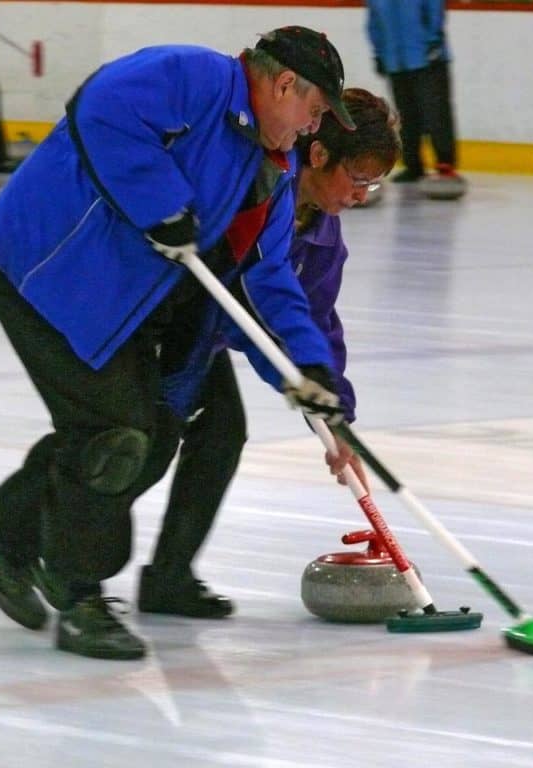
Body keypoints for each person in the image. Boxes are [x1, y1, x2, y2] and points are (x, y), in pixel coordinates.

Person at [0, 26, 356, 661]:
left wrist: (307, 365)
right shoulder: (195, 77)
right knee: (116, 434)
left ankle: (1, 536)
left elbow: (271, 278)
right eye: (314, 112)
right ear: (283, 85)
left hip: (113, 301)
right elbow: (101, 106)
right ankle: (79, 592)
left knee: (150, 433)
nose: (313, 130)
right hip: (43, 269)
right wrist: (160, 203)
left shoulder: (271, 174)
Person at [136, 88, 401, 619]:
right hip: (154, 320)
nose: (362, 196)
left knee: (222, 431)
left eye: (373, 185)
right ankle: (24, 540)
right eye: (359, 179)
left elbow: (319, 330)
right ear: (321, 155)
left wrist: (336, 422)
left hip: (204, 341)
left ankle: (168, 577)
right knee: (142, 446)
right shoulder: (253, 184)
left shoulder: (324, 241)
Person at [366, 0, 465, 193]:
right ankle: (413, 165)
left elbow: (435, 10)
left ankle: (445, 164)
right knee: (406, 115)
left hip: (427, 58)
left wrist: (434, 42)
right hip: (395, 60)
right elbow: (373, 22)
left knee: (436, 112)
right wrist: (378, 52)